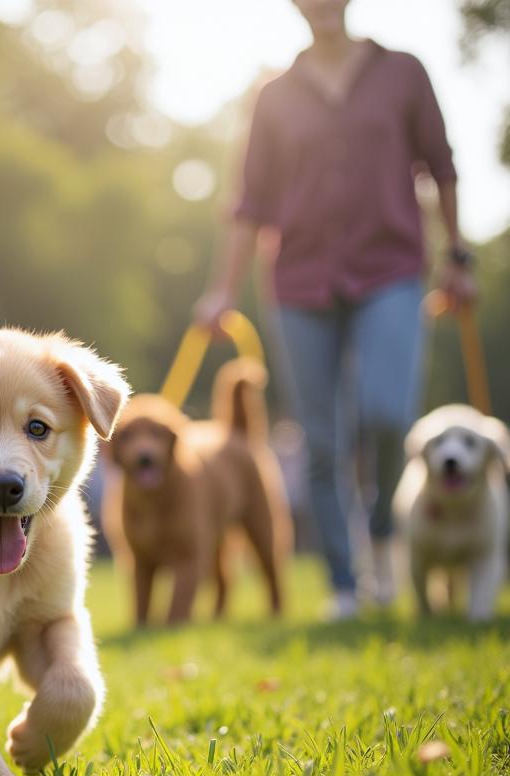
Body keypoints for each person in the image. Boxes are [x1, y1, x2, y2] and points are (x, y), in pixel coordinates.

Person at [194, 0, 476, 620]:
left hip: (392, 270)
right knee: (321, 440)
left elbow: (443, 166)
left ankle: (380, 539)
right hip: (299, 279)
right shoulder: (275, 94)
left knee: (384, 412)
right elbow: (250, 202)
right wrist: (222, 288)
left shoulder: (403, 72)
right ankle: (346, 586)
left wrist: (456, 255)